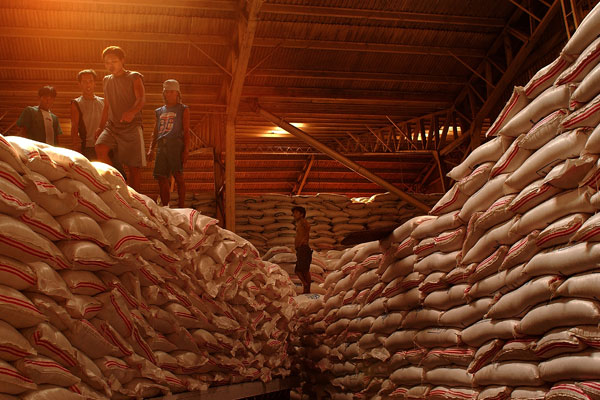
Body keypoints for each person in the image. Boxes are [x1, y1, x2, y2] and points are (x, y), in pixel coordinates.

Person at [94, 45, 146, 191]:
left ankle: (135, 198)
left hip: (131, 126)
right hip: (112, 125)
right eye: (107, 62)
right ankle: (118, 183)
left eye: (114, 61)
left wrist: (132, 112)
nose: (110, 65)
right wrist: (100, 126)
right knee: (100, 148)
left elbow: (141, 99)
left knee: (134, 167)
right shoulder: (106, 80)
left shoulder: (134, 77)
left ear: (122, 60)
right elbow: (107, 105)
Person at [146, 79, 190, 208]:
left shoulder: (183, 109)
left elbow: (186, 131)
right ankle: (166, 207)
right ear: (163, 93)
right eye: (167, 92)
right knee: (161, 177)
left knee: (178, 175)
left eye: (172, 92)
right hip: (161, 145)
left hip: (175, 144)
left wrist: (186, 150)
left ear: (177, 93)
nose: (169, 94)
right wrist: (151, 149)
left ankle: (182, 206)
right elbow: (155, 131)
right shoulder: (159, 111)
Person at [71, 69, 104, 160]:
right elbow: (74, 127)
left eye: (90, 81)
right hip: (87, 147)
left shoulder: (104, 102)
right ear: (80, 84)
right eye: (84, 82)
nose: (88, 84)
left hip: (104, 146)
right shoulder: (76, 103)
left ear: (95, 83)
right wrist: (76, 146)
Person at [292, 206, 313, 294]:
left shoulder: (303, 222)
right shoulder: (299, 223)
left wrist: (304, 240)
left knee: (300, 270)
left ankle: (306, 286)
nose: (294, 214)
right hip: (301, 248)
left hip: (303, 248)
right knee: (304, 270)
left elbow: (308, 227)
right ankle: (306, 288)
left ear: (301, 214)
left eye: (296, 213)